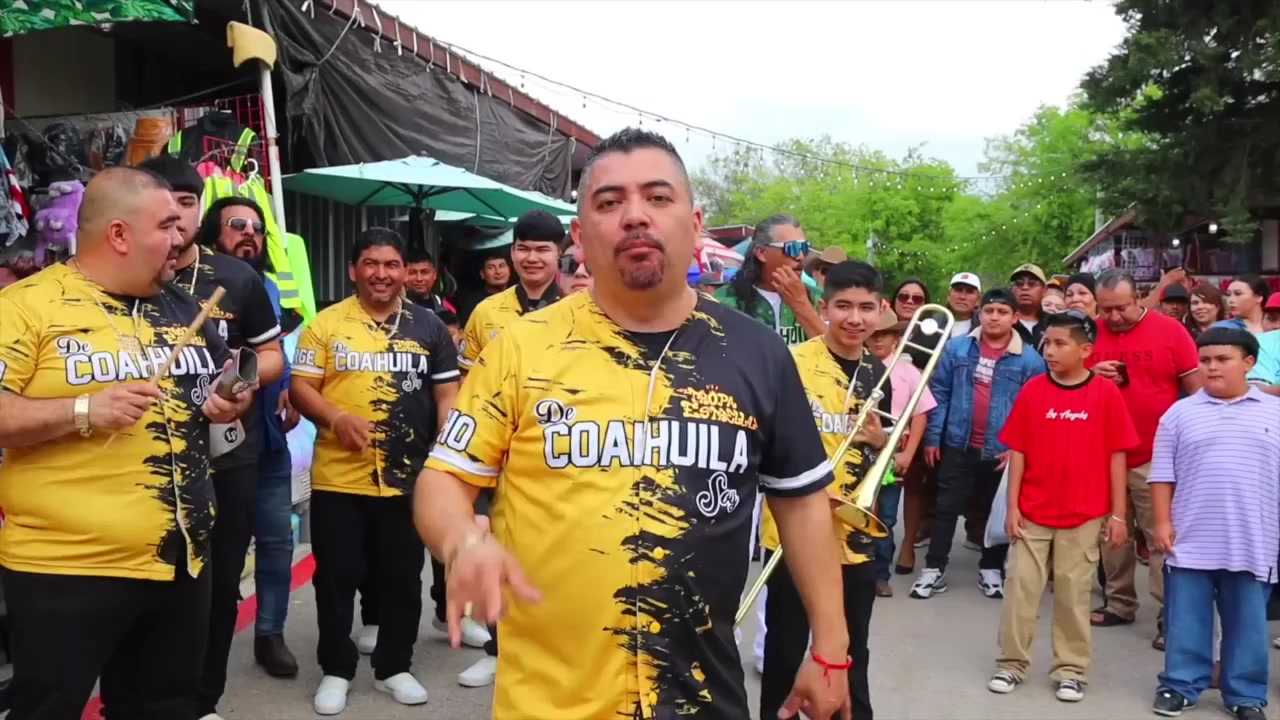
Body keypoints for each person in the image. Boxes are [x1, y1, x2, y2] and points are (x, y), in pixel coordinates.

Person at [416, 127, 853, 720]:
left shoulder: (758, 353)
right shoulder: (520, 349)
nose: (635, 215)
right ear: (579, 237)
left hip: (702, 697)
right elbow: (443, 479)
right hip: (550, 702)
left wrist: (831, 648)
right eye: (609, 202)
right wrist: (463, 540)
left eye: (658, 197)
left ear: (694, 224)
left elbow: (801, 502)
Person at [0, 167, 251, 719]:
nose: (181, 236)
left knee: (163, 708)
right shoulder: (26, 306)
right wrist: (84, 409)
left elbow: (226, 382)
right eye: (166, 225)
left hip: (180, 561)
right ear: (119, 234)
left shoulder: (182, 304)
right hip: (67, 569)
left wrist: (232, 398)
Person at [289, 227, 461, 715]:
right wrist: (335, 418)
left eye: (390, 265)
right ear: (353, 270)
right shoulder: (325, 325)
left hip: (409, 477)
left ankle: (394, 667)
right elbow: (301, 387)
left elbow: (447, 395)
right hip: (338, 478)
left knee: (402, 577)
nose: (381, 274)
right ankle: (336, 670)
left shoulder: (429, 327)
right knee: (336, 577)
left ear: (404, 271)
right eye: (371, 263)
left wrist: (445, 457)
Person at [163, 186, 292, 714]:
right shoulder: (140, 280)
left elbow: (273, 355)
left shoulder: (251, 284)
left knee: (253, 556)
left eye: (257, 229)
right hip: (162, 458)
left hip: (250, 446)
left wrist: (250, 383)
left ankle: (262, 641)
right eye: (239, 226)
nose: (250, 235)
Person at [757, 260, 893, 720]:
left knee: (852, 651)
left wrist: (882, 443)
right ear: (823, 308)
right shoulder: (791, 364)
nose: (855, 318)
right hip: (793, 534)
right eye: (843, 306)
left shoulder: (878, 373)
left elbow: (883, 458)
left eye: (866, 308)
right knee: (785, 648)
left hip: (853, 535)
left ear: (881, 310)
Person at [986, 311, 1135, 703]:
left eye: (1059, 344)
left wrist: (1118, 514)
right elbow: (1019, 450)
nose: (1049, 351)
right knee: (1020, 589)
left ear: (1085, 350)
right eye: (1046, 343)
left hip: (1084, 514)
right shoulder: (1034, 390)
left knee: (1073, 593)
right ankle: (1011, 662)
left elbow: (1117, 454)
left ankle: (1071, 669)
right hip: (1033, 511)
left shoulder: (1105, 394)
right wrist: (1013, 506)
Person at [1149, 328, 1278, 720]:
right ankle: (1179, 686)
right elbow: (1161, 475)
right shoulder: (1179, 413)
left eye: (1223, 359)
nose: (1212, 367)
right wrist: (1162, 522)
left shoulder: (1274, 413)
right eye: (1205, 360)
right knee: (1186, 620)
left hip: (1254, 540)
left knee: (1248, 623)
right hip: (1191, 537)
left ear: (1249, 363)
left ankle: (1246, 695)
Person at [1087, 269, 1201, 651]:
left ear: (1139, 298)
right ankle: (1119, 602)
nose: (1114, 317)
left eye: (1122, 307)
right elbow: (1063, 379)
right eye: (1106, 310)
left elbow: (1196, 390)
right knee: (1111, 536)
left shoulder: (1171, 331)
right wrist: (1089, 374)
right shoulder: (1089, 332)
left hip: (1156, 453)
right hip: (1103, 453)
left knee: (1160, 538)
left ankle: (1171, 616)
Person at [913, 287, 1047, 600]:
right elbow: (940, 393)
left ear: (1015, 317)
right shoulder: (957, 348)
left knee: (993, 510)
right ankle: (934, 568)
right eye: (989, 311)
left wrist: (1018, 448)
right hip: (957, 444)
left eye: (1002, 312)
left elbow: (1034, 410)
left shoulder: (1030, 360)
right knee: (945, 507)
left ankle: (991, 568)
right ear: (980, 313)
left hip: (1002, 451)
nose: (994, 317)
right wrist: (934, 437)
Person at [865, 309, 936, 598]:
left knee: (886, 515)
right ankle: (854, 573)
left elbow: (920, 415)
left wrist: (907, 454)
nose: (878, 339)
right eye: (873, 334)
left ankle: (880, 574)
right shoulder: (856, 365)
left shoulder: (908, 372)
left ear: (896, 338)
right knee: (858, 512)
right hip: (858, 446)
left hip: (893, 448)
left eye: (885, 334)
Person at [458, 210, 564, 373]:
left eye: (542, 249)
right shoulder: (486, 312)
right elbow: (466, 377)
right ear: (513, 252)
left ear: (559, 253)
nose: (531, 258)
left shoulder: (576, 311)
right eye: (523, 249)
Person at [715, 214, 825, 345]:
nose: (800, 257)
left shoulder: (818, 297)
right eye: (792, 248)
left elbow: (833, 351)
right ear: (761, 253)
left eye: (804, 248)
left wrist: (801, 304)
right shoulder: (724, 301)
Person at [404, 250, 455, 314]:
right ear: (403, 275)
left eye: (424, 272)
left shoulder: (446, 309)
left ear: (434, 274)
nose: (419, 278)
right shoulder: (394, 307)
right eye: (412, 273)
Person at [1010, 263, 1048, 347]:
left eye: (1032, 283)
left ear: (1044, 290)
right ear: (1011, 289)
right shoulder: (1004, 324)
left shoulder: (1053, 323)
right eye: (1019, 283)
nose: (1025, 288)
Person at [946, 272, 982, 338]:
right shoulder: (933, 323)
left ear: (978, 300)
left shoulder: (985, 327)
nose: (962, 297)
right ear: (948, 295)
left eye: (969, 292)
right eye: (958, 290)